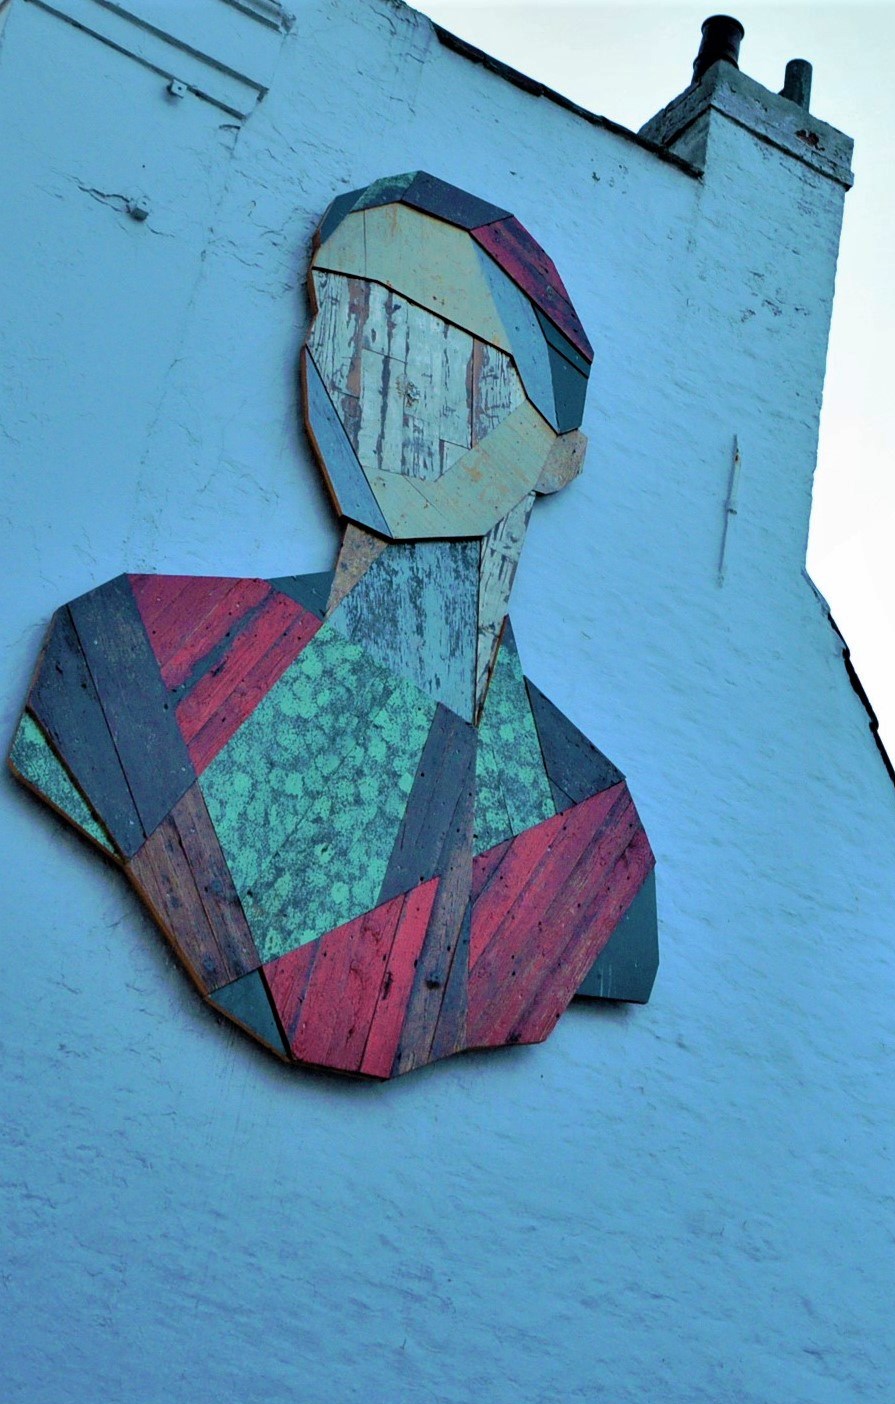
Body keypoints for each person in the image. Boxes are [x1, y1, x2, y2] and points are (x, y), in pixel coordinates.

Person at [8, 172, 655, 1079]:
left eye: (452, 348)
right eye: (344, 316)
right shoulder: (124, 658)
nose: (373, 374)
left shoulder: (592, 854)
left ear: (561, 456)